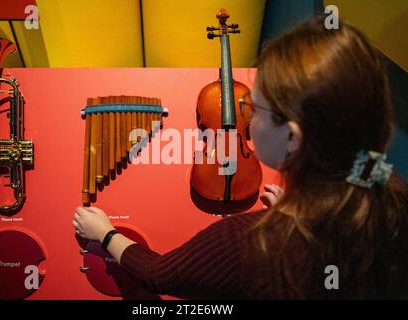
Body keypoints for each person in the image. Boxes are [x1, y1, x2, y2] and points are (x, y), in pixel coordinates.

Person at [72, 16, 408, 299]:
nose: (242, 116)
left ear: (292, 136)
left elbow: (159, 275)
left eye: (254, 109)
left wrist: (104, 232)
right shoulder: (390, 186)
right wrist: (299, 212)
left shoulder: (246, 241)